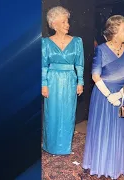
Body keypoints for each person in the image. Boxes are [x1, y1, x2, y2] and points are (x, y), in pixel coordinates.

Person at [82, 15, 124, 179]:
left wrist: (120, 93)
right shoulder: (101, 50)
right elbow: (95, 76)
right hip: (103, 96)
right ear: (114, 31)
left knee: (120, 131)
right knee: (103, 130)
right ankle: (101, 164)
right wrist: (109, 95)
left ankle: (117, 164)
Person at [41, 6, 84, 155]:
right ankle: (50, 145)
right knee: (51, 113)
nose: (68, 25)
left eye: (67, 22)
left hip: (69, 80)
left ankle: (64, 146)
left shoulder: (77, 41)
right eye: (64, 22)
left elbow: (79, 64)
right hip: (52, 80)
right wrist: (44, 84)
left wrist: (80, 82)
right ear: (54, 24)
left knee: (68, 112)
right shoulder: (45, 43)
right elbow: (43, 66)